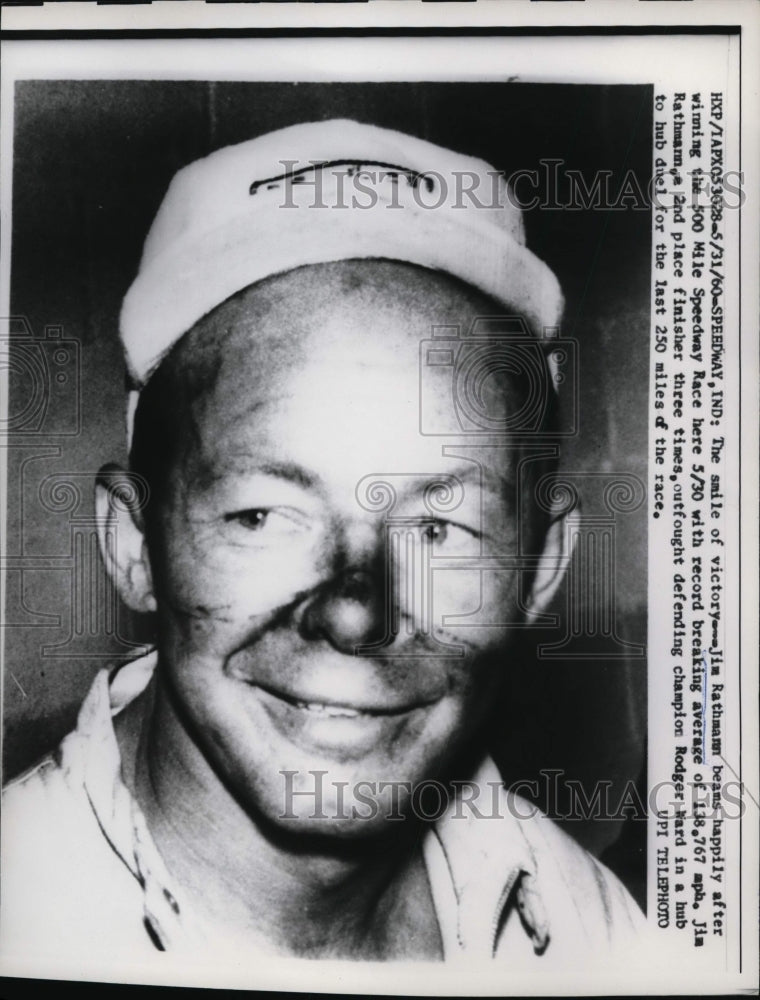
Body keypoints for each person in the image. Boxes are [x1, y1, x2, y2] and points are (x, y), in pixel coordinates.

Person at [1, 119, 644, 965]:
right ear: (132, 542)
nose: (354, 614)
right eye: (262, 516)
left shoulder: (596, 932)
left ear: (541, 567)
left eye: (438, 528)